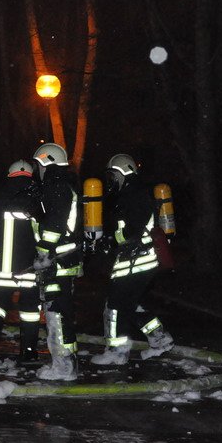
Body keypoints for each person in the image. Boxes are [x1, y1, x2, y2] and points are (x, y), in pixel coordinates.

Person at [91, 154, 174, 364]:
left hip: (137, 260)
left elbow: (132, 230)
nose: (111, 181)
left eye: (113, 176)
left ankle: (117, 352)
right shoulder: (132, 193)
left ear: (123, 172)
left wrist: (110, 240)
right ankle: (160, 339)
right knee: (131, 303)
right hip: (137, 259)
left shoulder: (134, 194)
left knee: (115, 306)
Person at [0, 159, 42, 366]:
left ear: (9, 174)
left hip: (0, 269)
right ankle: (30, 351)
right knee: (30, 312)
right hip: (29, 269)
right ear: (31, 176)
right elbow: (43, 234)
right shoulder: (37, 198)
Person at [31, 142, 82, 381]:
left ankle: (64, 367)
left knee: (56, 313)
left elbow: (54, 226)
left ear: (46, 164)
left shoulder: (57, 187)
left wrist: (43, 253)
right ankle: (67, 362)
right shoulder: (62, 185)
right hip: (63, 259)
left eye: (38, 165)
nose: (36, 170)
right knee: (62, 312)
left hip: (57, 262)